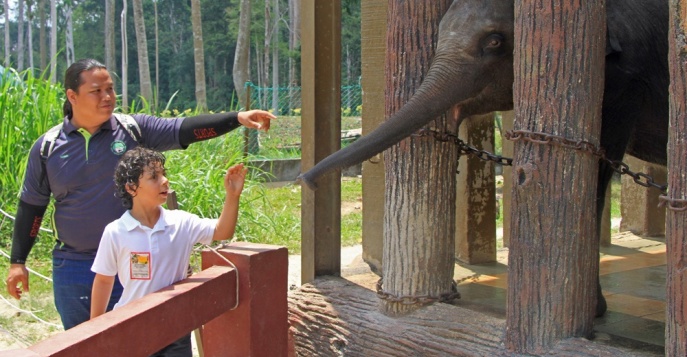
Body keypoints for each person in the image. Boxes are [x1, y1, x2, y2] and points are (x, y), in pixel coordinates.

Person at [5, 58, 276, 330]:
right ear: (72, 96)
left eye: (110, 89)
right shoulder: (48, 147)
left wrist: (237, 118)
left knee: (146, 340)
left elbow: (184, 129)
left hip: (135, 261)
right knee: (81, 344)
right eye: (96, 91)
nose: (107, 97)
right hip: (75, 267)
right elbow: (32, 206)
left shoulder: (133, 129)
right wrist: (18, 261)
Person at [90, 147, 245, 356]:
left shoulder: (181, 222)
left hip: (176, 329)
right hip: (132, 328)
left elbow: (222, 231)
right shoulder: (116, 232)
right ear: (131, 187)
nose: (164, 181)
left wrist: (233, 195)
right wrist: (93, 331)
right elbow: (104, 281)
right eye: (154, 177)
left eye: (164, 174)